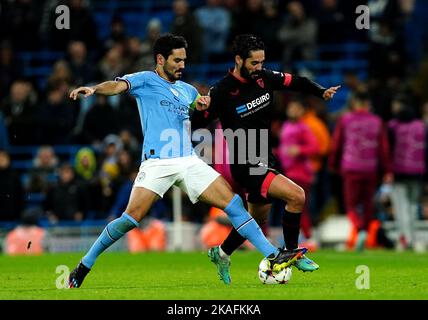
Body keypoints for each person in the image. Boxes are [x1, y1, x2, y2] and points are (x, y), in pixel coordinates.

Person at [67, 34, 303, 288]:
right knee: (130, 219)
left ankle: (273, 255)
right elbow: (116, 86)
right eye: (177, 60)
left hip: (189, 161)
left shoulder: (187, 90)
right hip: (157, 163)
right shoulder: (145, 80)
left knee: (234, 204)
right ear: (160, 59)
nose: (182, 65)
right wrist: (94, 89)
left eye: (184, 60)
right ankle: (85, 264)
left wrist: (202, 105)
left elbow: (201, 110)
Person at [191, 34, 340, 284]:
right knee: (297, 195)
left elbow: (296, 82)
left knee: (256, 220)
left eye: (261, 62)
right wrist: (197, 108)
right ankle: (290, 252)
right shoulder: (222, 91)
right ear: (239, 60)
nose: (259, 68)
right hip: (245, 163)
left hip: (264, 158)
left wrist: (320, 91)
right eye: (254, 63)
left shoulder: (264, 78)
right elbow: (197, 124)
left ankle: (222, 252)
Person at [328, 90, 393, 251]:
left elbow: (337, 144)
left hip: (350, 167)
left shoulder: (346, 119)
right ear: (368, 105)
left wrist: (333, 164)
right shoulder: (377, 121)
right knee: (368, 204)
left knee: (350, 205)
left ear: (355, 103)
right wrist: (387, 171)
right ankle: (364, 230)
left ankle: (359, 229)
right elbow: (383, 149)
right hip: (370, 168)